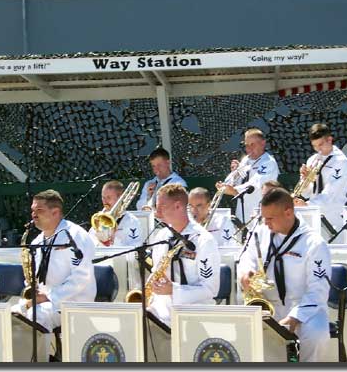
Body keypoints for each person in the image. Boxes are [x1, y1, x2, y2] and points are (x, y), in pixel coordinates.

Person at [237, 188, 331, 362]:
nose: (265, 223)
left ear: (288, 212)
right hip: (268, 307)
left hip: (305, 308)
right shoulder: (260, 232)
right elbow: (245, 258)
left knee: (316, 334)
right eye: (263, 218)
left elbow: (318, 289)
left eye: (270, 218)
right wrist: (245, 274)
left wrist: (294, 317)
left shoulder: (315, 243)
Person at [13, 190, 96, 332]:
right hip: (45, 302)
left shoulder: (75, 235)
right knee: (11, 313)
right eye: (33, 210)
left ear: (55, 212)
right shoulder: (37, 240)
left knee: (35, 315)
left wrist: (49, 297)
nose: (34, 214)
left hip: (72, 301)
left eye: (39, 210)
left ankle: (43, 354)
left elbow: (81, 278)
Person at [148, 184, 220, 325]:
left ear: (178, 206)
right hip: (162, 312)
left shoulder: (204, 240)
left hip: (195, 314)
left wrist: (174, 290)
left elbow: (210, 289)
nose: (156, 213)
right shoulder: (161, 236)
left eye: (161, 207)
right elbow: (157, 273)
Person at [294, 123, 347, 242]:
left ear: (329, 140)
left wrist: (307, 205)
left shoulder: (340, 161)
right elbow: (307, 192)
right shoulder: (313, 159)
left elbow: (331, 194)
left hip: (333, 216)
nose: (318, 149)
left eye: (321, 144)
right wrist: (305, 179)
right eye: (314, 146)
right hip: (314, 215)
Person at [89, 180, 145, 291]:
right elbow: (88, 245)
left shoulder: (131, 221)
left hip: (123, 272)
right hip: (100, 269)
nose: (105, 201)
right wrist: (100, 239)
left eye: (108, 198)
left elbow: (135, 249)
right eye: (103, 197)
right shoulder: (100, 218)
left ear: (120, 198)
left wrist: (113, 240)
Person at [216, 128, 280, 225]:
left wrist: (234, 191)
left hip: (261, 214)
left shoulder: (268, 162)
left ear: (263, 143)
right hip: (242, 213)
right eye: (246, 145)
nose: (249, 149)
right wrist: (234, 174)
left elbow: (255, 185)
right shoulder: (246, 160)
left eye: (252, 144)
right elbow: (234, 181)